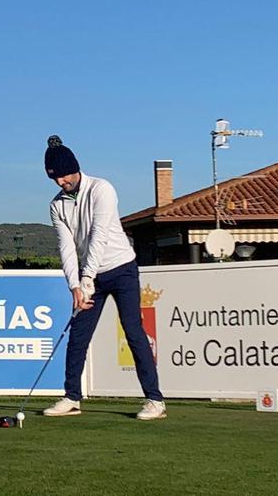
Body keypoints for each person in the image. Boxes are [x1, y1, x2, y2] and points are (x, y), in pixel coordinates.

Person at [42, 135, 166, 420]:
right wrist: (74, 285)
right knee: (78, 335)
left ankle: (155, 400)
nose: (61, 182)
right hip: (90, 276)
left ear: (75, 168)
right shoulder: (56, 205)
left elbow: (98, 237)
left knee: (133, 330)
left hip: (121, 268)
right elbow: (67, 247)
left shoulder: (102, 189)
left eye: (63, 176)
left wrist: (86, 279)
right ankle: (72, 397)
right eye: (55, 179)